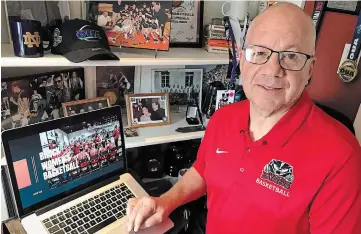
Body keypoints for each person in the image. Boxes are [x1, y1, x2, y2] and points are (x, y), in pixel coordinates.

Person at [126, 3, 361, 234]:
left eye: (291, 56)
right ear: (242, 58)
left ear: (310, 68)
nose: (272, 70)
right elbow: (203, 171)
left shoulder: (342, 157)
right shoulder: (223, 118)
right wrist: (166, 202)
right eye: (259, 53)